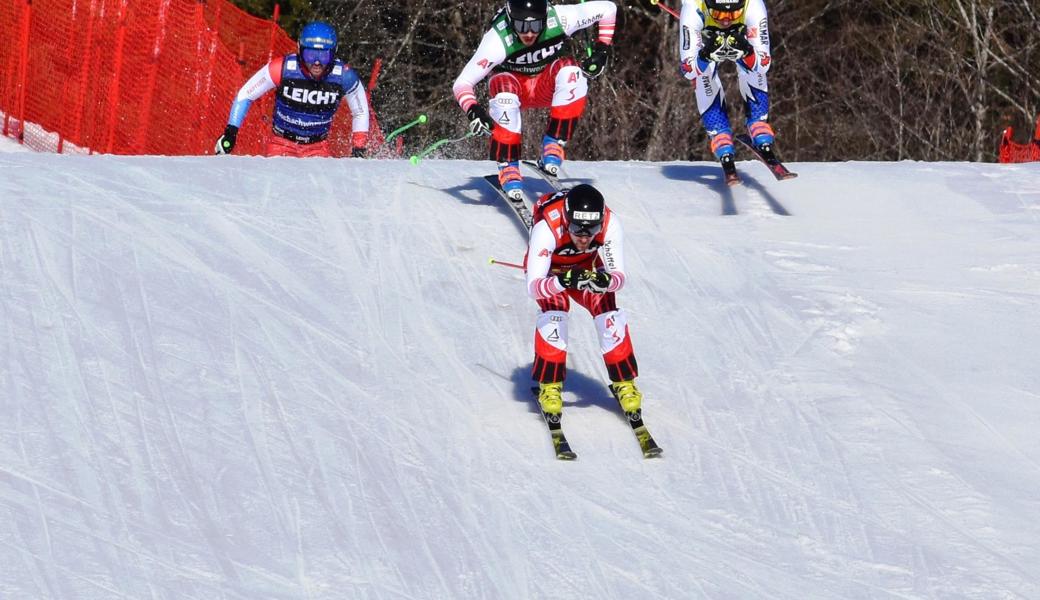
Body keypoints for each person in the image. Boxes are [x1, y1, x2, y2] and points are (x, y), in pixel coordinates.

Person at [452, 0, 617, 200]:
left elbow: (608, 9)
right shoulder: (497, 40)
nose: (529, 33)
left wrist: (602, 50)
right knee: (502, 86)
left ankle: (554, 141)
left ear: (545, 17)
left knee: (572, 71)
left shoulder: (560, 18)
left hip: (545, 85)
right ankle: (508, 163)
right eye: (521, 26)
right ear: (511, 21)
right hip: (514, 88)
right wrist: (474, 110)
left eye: (536, 25)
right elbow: (462, 83)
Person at [524, 184, 644, 422]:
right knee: (555, 311)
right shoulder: (546, 228)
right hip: (552, 272)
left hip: (586, 266)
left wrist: (606, 281)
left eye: (592, 230)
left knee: (608, 310)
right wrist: (561, 281)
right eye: (578, 229)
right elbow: (533, 287)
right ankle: (550, 385)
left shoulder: (611, 224)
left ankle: (624, 382)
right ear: (567, 221)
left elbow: (619, 277)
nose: (585, 237)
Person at [214, 21, 369, 158]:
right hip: (281, 144)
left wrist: (359, 148)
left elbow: (360, 111)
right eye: (310, 55)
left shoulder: (344, 76)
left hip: (317, 149)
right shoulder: (282, 68)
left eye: (323, 56)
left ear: (333, 54)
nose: (316, 62)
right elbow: (246, 94)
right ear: (300, 51)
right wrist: (231, 133)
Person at [678, 0, 780, 172]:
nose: (725, 21)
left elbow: (764, 64)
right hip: (705, 38)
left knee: (754, 67)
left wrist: (747, 51)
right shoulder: (693, 8)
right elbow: (688, 70)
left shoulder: (752, 6)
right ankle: (718, 132)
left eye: (732, 14)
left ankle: (757, 122)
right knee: (703, 73)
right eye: (718, 14)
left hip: (743, 34)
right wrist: (704, 55)